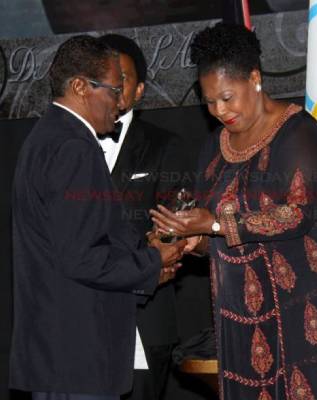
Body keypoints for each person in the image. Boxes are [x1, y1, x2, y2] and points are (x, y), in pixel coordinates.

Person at [149, 23, 317, 399]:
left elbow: (297, 214)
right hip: (256, 307)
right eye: (209, 102)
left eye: (226, 97)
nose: (219, 110)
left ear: (255, 78)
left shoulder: (299, 134)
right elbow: (225, 236)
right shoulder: (213, 149)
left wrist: (212, 224)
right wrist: (193, 239)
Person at [9, 35, 185, 400]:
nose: (120, 102)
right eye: (113, 90)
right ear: (80, 87)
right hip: (78, 359)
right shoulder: (74, 147)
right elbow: (82, 258)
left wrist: (146, 265)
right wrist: (153, 260)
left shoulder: (45, 137)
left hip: (59, 357)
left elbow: (69, 247)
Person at [98, 33, 195, 400]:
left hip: (142, 321)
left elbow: (174, 232)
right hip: (76, 325)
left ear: (139, 90)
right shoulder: (69, 146)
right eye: (103, 77)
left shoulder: (165, 147)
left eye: (122, 79)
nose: (113, 87)